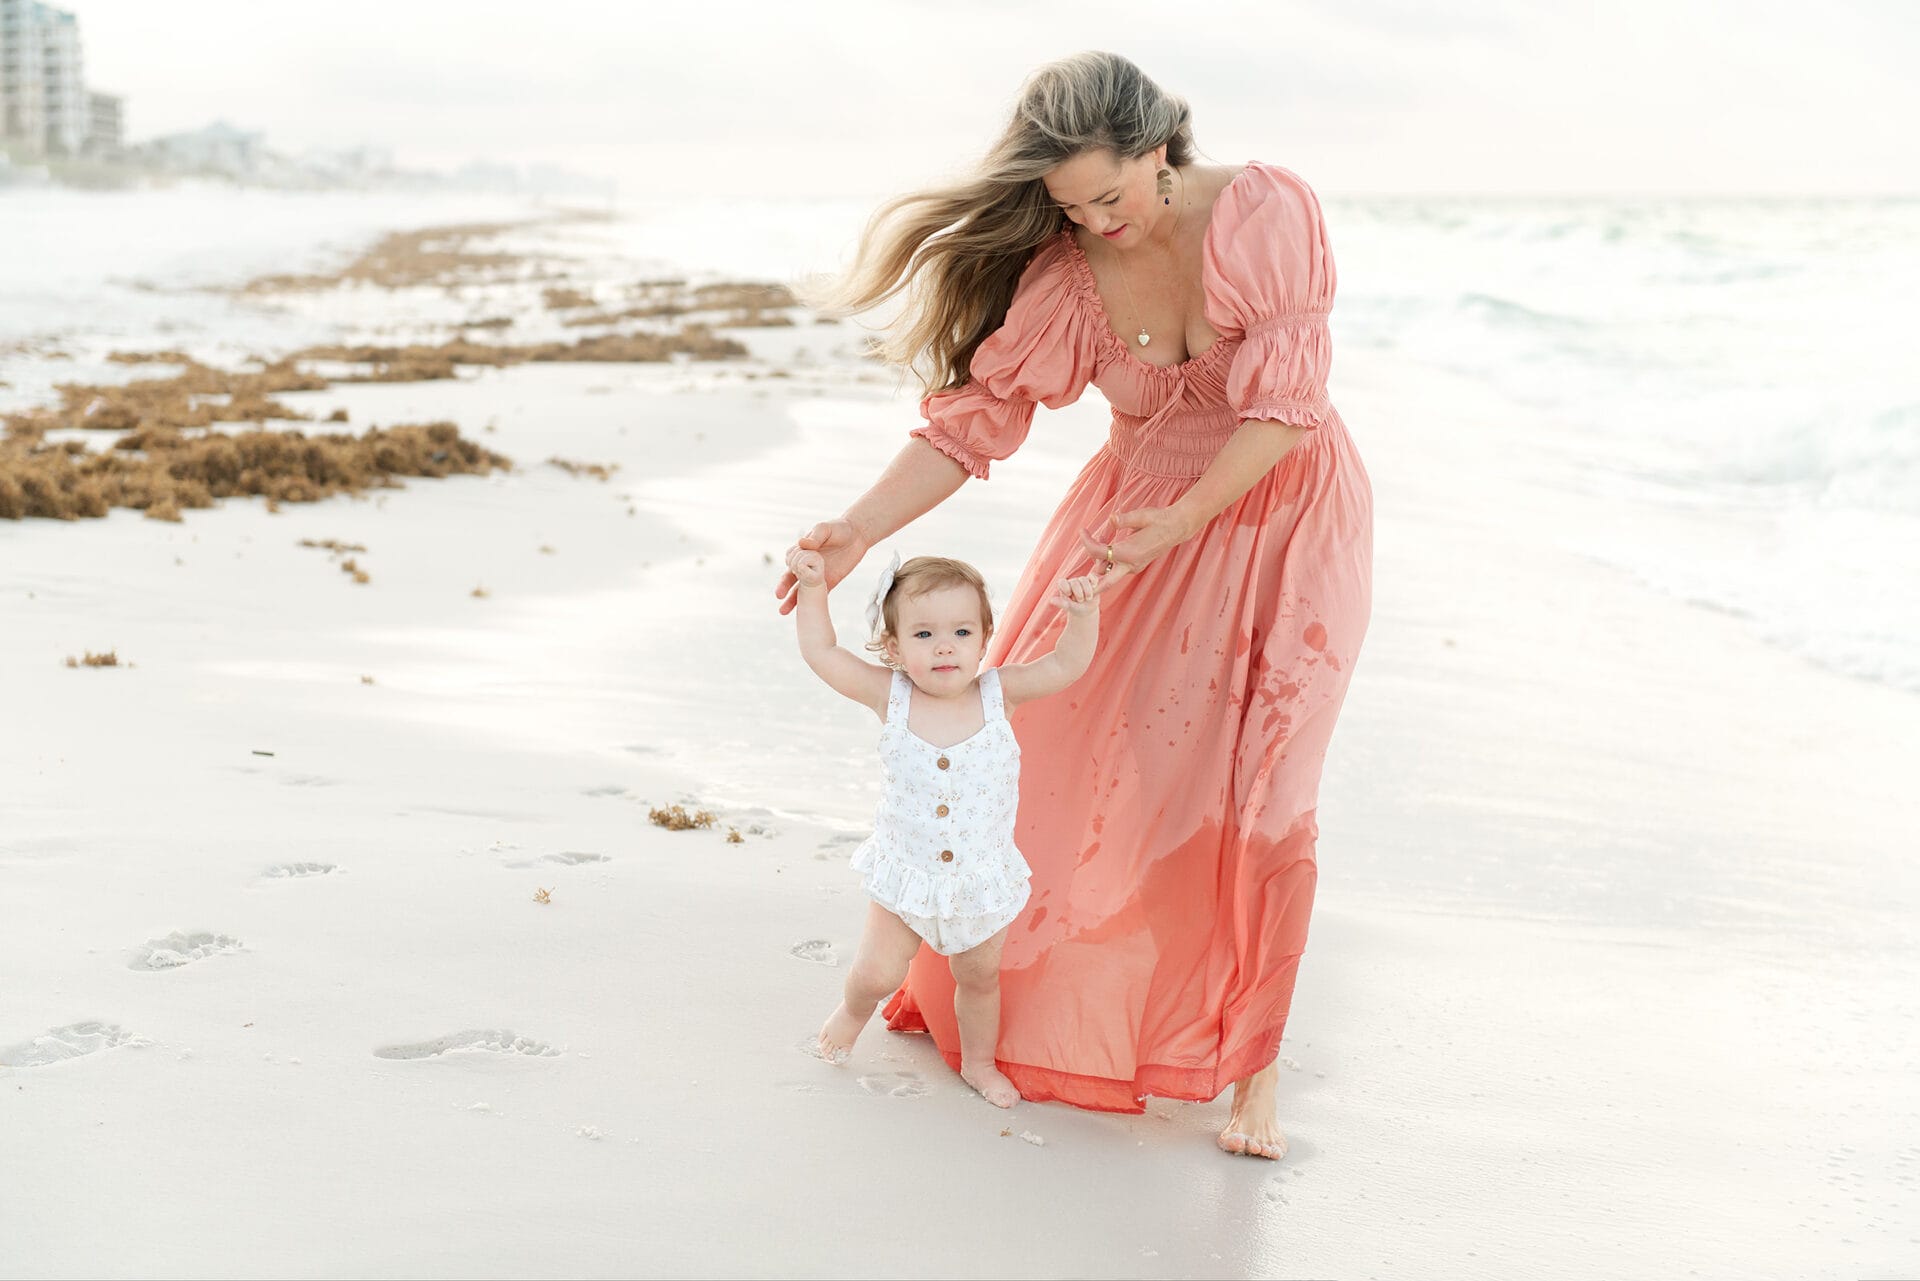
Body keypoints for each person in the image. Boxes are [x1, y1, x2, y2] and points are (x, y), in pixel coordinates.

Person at [774, 51, 1373, 1160]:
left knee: (1262, 779)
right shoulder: (1068, 274)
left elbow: (1288, 410)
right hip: (1132, 523)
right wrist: (860, 529)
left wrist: (1187, 519)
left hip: (1277, 515)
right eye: (1070, 206)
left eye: (1113, 194)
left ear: (1162, 150)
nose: (1098, 222)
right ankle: (1057, 999)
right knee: (1057, 742)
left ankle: (1253, 1073)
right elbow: (974, 423)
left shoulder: (1266, 214)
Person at [787, 549, 1101, 1108]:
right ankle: (850, 1015)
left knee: (979, 977)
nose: (944, 646)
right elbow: (822, 652)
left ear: (984, 639)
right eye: (925, 633)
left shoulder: (998, 694)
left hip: (980, 879)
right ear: (894, 647)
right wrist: (813, 590)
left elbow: (1064, 666)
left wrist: (1082, 617)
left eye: (960, 631)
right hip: (907, 873)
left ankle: (979, 1063)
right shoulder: (892, 696)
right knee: (876, 973)